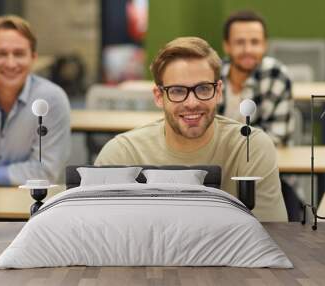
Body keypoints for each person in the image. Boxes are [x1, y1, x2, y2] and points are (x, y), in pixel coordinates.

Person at [95, 37, 287, 222]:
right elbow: (99, 240)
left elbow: (272, 239)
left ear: (218, 92)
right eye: (177, 91)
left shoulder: (250, 148)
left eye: (203, 89)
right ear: (159, 96)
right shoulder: (121, 155)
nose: (192, 103)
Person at [0, 15, 71, 186]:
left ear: (33, 58)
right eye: (1, 54)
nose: (11, 63)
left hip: (30, 206)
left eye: (19, 54)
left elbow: (46, 172)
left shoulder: (52, 100)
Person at [219, 10, 294, 146]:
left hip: (260, 161)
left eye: (255, 42)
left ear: (265, 45)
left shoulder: (276, 75)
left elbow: (277, 135)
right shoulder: (213, 75)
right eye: (239, 42)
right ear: (227, 46)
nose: (247, 49)